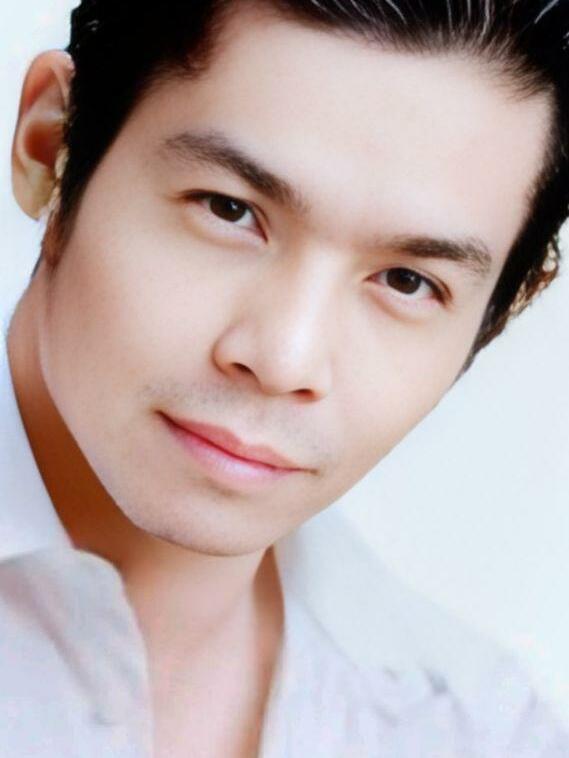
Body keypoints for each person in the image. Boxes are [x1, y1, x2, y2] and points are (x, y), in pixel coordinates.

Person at [1, 0, 568, 755]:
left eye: (406, 282)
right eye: (229, 210)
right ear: (52, 146)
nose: (284, 360)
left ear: (498, 315)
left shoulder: (475, 734)